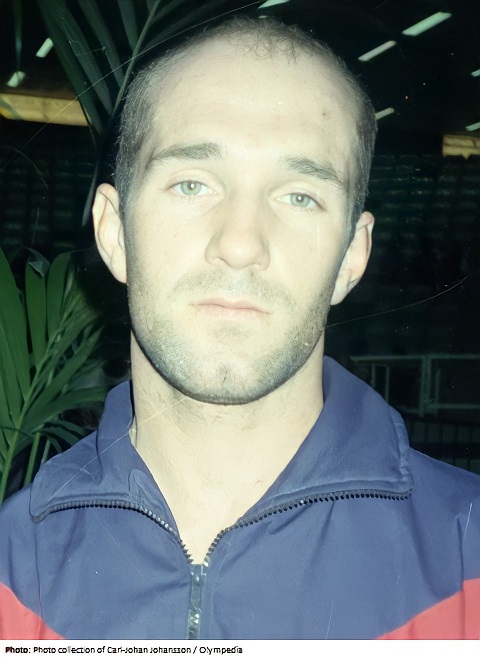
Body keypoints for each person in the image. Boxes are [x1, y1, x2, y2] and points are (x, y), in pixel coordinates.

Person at [1, 15, 479, 641]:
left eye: (300, 196)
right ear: (114, 232)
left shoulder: (468, 561)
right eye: (193, 184)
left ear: (352, 256)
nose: (240, 243)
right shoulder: (12, 574)